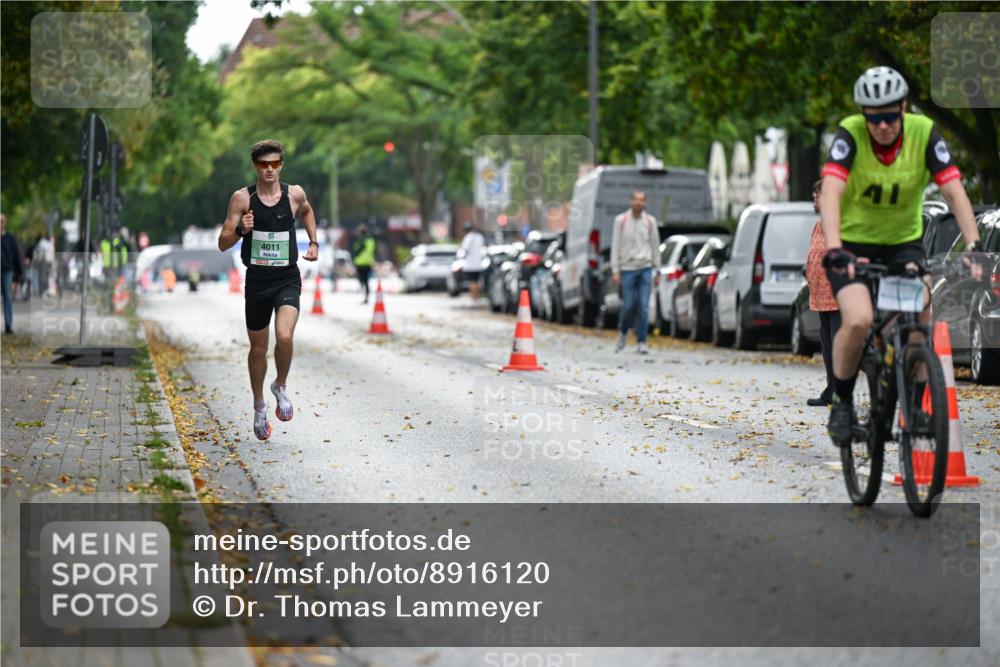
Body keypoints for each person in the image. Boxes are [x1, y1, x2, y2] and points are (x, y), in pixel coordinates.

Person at [819, 66, 984, 447]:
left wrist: (974, 244)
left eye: (890, 116)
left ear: (903, 109)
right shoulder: (850, 134)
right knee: (859, 320)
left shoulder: (923, 133)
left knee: (918, 322)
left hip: (902, 243)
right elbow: (830, 191)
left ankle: (918, 403)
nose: (881, 125)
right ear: (864, 115)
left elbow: (954, 191)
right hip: (852, 244)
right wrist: (833, 248)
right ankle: (842, 402)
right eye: (873, 117)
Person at [218, 139, 319, 441]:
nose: (270, 169)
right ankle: (259, 403)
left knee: (285, 335)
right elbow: (222, 242)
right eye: (264, 164)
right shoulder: (242, 199)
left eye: (275, 163)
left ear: (281, 165)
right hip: (258, 281)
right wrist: (241, 230)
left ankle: (281, 386)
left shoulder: (294, 194)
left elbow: (307, 211)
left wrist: (313, 242)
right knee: (259, 347)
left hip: (287, 277)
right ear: (256, 167)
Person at [804, 179, 840, 407]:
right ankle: (832, 389)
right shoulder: (819, 224)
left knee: (839, 345)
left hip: (836, 295)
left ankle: (841, 390)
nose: (814, 198)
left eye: (818, 194)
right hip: (821, 297)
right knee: (828, 345)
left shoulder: (837, 221)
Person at [611, 190, 661, 354]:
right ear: (631, 201)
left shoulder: (650, 221)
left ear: (645, 203)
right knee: (628, 306)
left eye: (641, 200)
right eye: (636, 200)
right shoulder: (621, 220)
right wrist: (615, 270)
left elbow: (655, 246)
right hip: (627, 269)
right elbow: (615, 246)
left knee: (644, 307)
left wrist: (657, 269)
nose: (638, 203)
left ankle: (642, 341)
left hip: (645, 268)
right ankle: (623, 332)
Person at [1, 214, 23, 333]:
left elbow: (15, 256)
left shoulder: (10, 238)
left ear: (5, 223)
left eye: (2, 221)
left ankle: (8, 325)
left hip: (6, 272)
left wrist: (18, 275)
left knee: (7, 298)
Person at [459, 221, 485, 300]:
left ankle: (474, 298)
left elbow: (465, 250)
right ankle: (477, 297)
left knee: (472, 282)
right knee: (477, 281)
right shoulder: (479, 237)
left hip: (470, 264)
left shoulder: (468, 238)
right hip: (479, 264)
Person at [351, 224, 375, 304]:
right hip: (368, 263)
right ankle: (366, 296)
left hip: (360, 264)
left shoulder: (361, 241)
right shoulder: (371, 241)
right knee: (366, 281)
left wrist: (353, 258)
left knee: (362, 280)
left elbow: (357, 252)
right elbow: (374, 252)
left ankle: (364, 295)